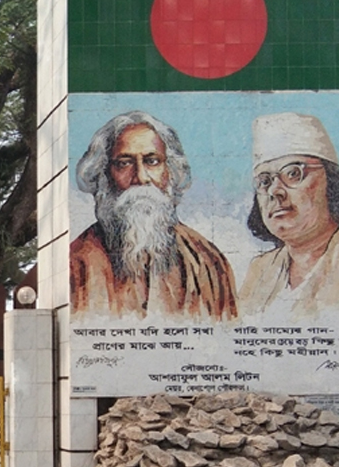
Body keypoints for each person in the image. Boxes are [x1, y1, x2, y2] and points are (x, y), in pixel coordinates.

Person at [70, 111, 237, 320]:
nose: (140, 177)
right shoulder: (75, 264)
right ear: (104, 174)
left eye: (152, 161)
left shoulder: (208, 261)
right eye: (124, 163)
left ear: (170, 171)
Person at [238, 112, 339, 318]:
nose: (274, 191)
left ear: (332, 181)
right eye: (264, 181)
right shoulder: (260, 270)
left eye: (293, 173)